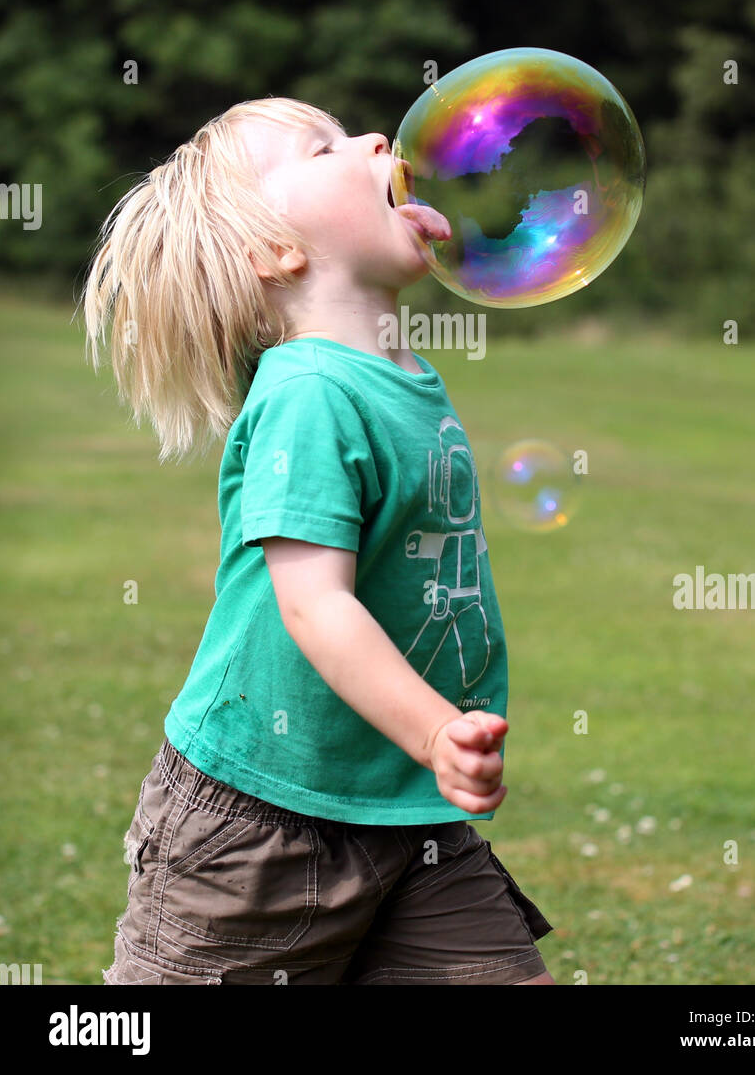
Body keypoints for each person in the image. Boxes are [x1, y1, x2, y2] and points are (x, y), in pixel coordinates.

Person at [81, 95, 555, 985]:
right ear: (274, 251)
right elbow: (314, 602)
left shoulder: (405, 375)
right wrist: (436, 734)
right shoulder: (309, 391)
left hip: (403, 817)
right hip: (257, 822)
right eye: (324, 146)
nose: (378, 139)